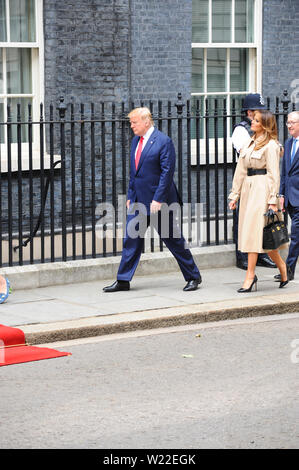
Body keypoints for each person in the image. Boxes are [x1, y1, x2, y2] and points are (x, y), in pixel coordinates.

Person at [103, 107, 201, 293]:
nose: (131, 126)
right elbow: (134, 172)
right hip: (139, 201)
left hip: (158, 202)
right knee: (130, 240)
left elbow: (167, 174)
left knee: (173, 240)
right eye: (130, 122)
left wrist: (158, 199)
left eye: (134, 122)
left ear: (146, 121)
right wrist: (131, 196)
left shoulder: (163, 141)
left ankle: (193, 276)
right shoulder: (135, 141)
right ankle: (123, 280)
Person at [228, 109, 289, 292]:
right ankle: (283, 268)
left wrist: (272, 200)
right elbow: (240, 170)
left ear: (264, 125)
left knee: (256, 234)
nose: (252, 122)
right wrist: (234, 195)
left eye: (255, 120)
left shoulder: (271, 145)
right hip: (248, 190)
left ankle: (250, 276)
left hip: (262, 191)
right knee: (257, 236)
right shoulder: (248, 143)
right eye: (253, 119)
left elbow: (274, 175)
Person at [231, 93, 276, 271]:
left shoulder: (263, 132)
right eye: (259, 111)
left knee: (261, 219)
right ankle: (242, 257)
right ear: (249, 112)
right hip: (247, 180)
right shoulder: (241, 130)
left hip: (262, 181)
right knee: (243, 220)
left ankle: (261, 255)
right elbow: (246, 154)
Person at [274, 111, 299, 282]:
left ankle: (288, 270)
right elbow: (284, 173)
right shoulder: (289, 143)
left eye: (293, 122)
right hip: (289, 198)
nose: (289, 125)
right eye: (288, 122)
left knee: (295, 235)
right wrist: (281, 194)